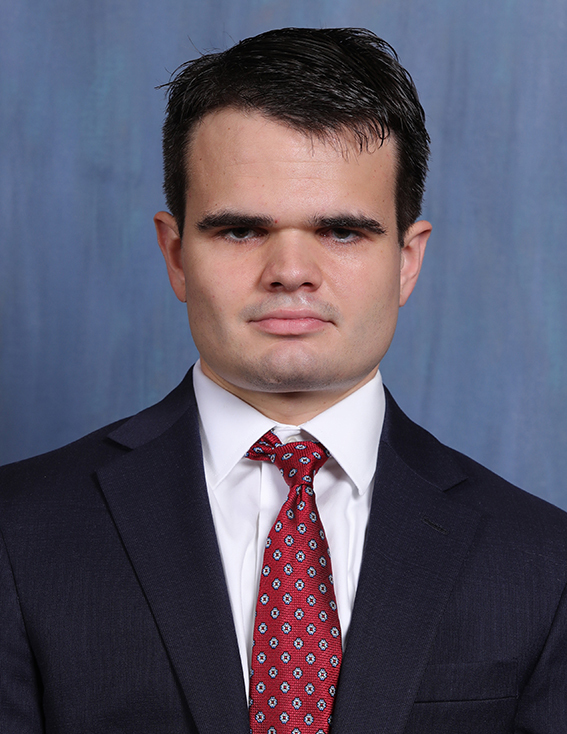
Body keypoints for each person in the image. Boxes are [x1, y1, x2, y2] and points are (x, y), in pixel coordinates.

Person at [1, 27, 566, 734]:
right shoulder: (17, 534)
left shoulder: (544, 564)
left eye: (341, 232)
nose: (291, 272)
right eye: (240, 231)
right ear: (176, 255)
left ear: (407, 261)